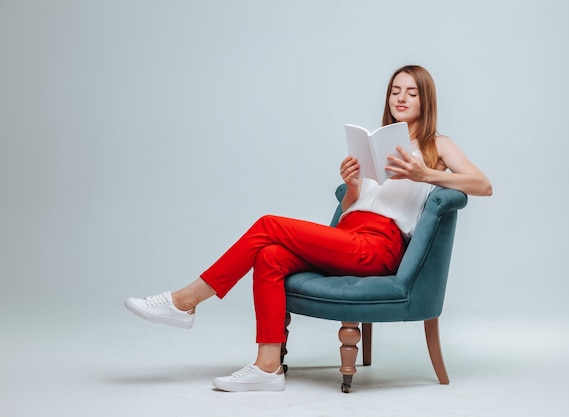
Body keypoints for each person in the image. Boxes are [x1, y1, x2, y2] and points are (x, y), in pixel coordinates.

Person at [125, 65, 492, 392]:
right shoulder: (380, 143)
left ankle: (184, 301)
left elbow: (483, 184)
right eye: (395, 90)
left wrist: (425, 173)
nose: (401, 97)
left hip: (378, 246)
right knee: (270, 255)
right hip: (351, 234)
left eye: (411, 92)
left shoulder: (435, 146)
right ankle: (267, 367)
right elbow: (356, 206)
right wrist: (351, 186)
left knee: (268, 224)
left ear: (425, 99)